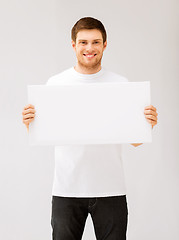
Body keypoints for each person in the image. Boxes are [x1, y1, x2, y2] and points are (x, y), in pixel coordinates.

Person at [22, 17, 158, 240]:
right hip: (67, 189)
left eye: (96, 42)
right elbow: (44, 134)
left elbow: (135, 139)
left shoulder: (121, 85)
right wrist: (30, 124)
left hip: (110, 189)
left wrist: (148, 123)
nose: (89, 48)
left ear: (105, 45)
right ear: (74, 45)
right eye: (83, 42)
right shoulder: (56, 84)